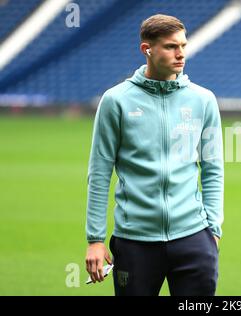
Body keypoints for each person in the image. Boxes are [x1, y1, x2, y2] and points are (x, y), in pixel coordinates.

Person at [85, 14, 224, 296]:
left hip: (194, 239)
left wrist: (213, 230)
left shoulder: (203, 100)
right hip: (134, 241)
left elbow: (212, 168)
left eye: (183, 45)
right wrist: (95, 239)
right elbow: (99, 173)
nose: (181, 53)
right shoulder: (116, 101)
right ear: (147, 49)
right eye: (171, 46)